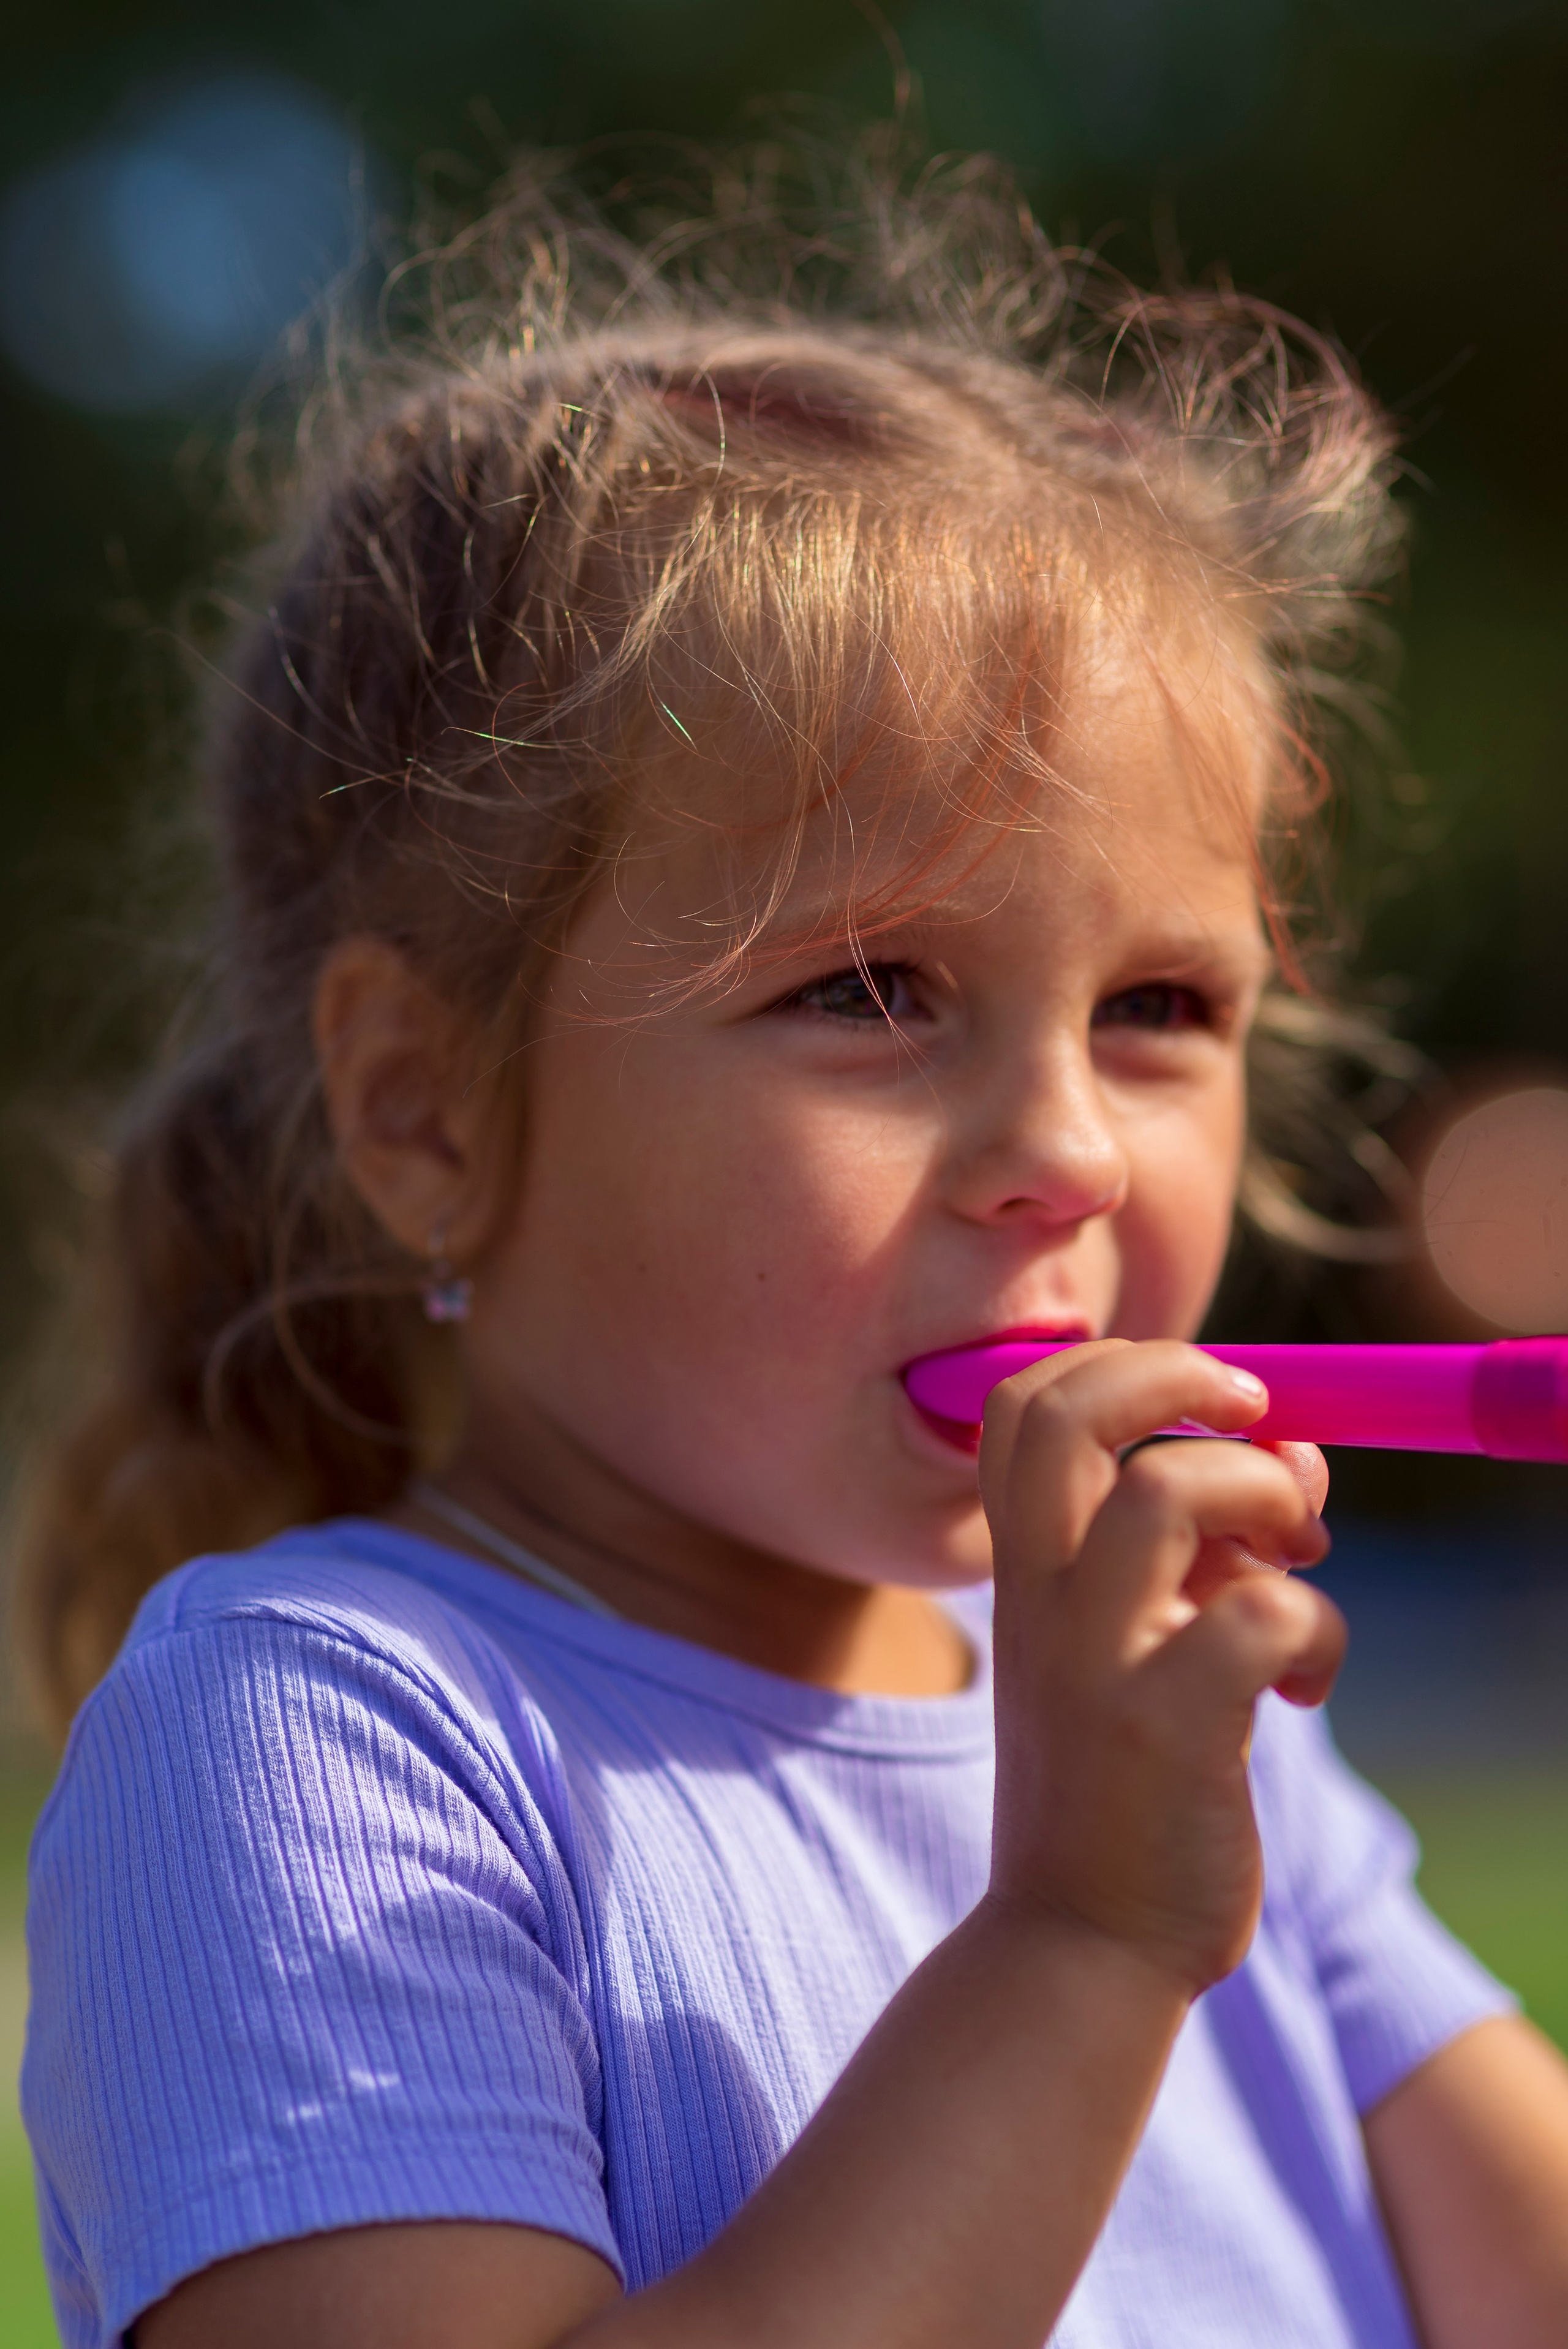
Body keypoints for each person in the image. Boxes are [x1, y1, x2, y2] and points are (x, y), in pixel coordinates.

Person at [18, 147, 1568, 2349]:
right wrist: (1080, 1941)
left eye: (1158, 1011)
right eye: (863, 992)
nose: (1064, 1155)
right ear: (426, 1109)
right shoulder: (315, 1743)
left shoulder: (1191, 1723)